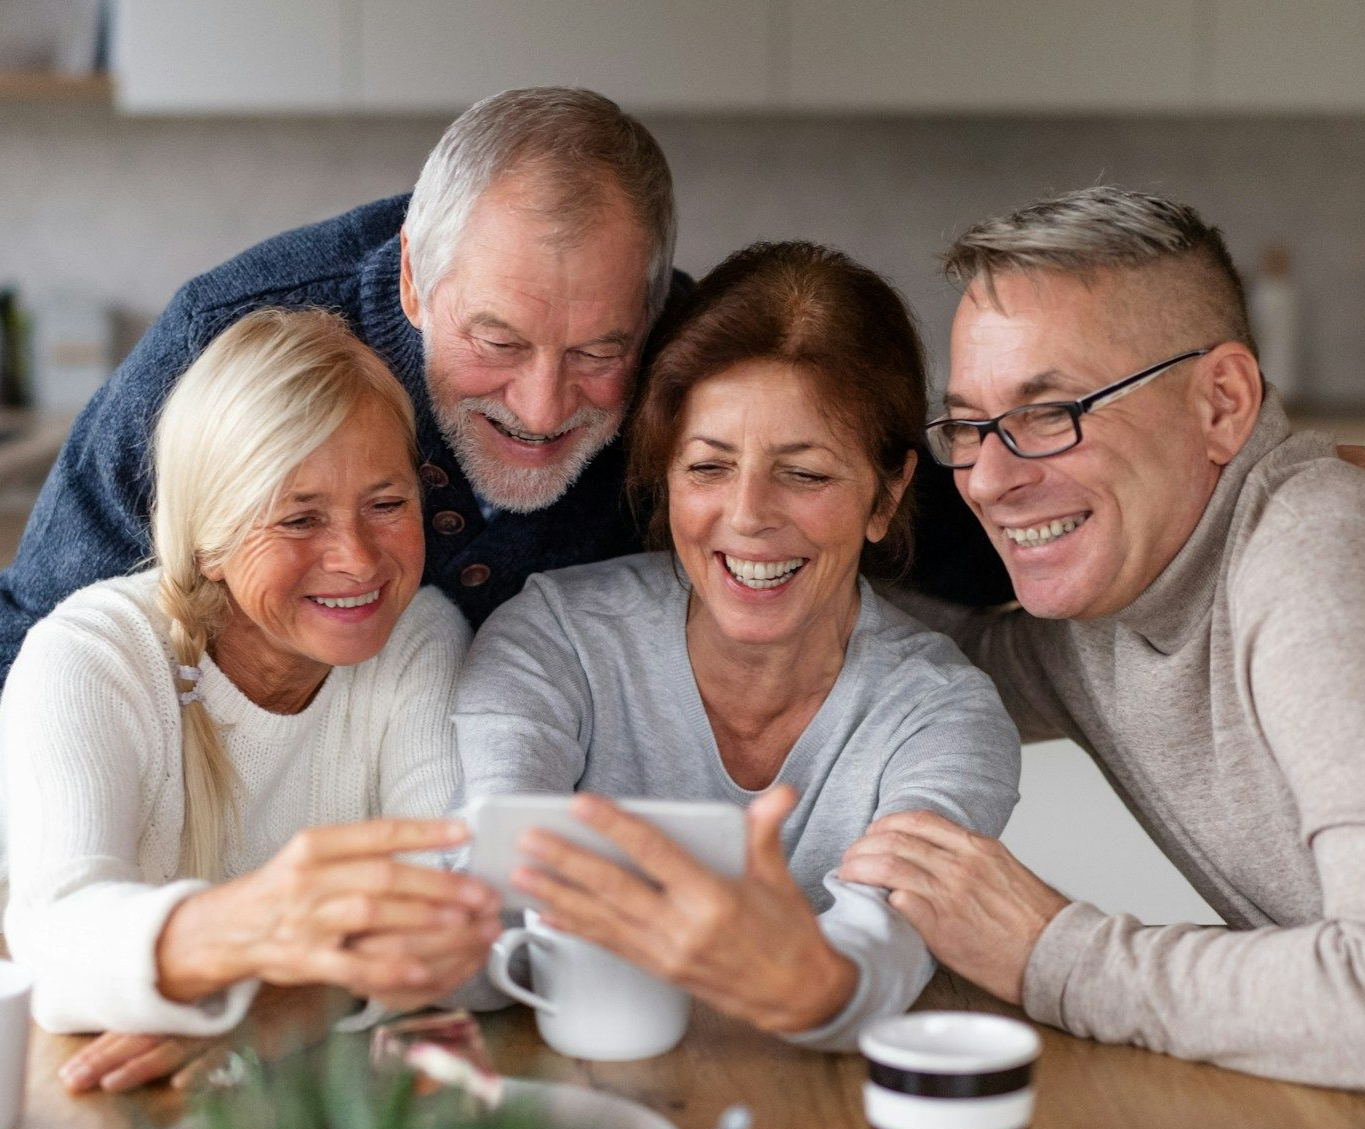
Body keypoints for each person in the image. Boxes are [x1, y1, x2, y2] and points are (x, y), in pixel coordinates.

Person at [0, 87, 1005, 693]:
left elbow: (936, 519)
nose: (539, 406)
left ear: (651, 316)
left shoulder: (703, 367)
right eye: (498, 341)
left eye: (597, 353)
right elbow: (34, 639)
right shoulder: (229, 347)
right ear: (412, 282)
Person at [843, 187, 1365, 1087]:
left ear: (1221, 403)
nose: (991, 479)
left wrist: (1051, 950)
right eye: (967, 425)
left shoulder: (1311, 554)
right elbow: (926, 665)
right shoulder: (1111, 616)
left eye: (1052, 411)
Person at [451, 242, 1020, 1050]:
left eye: (806, 474)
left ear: (886, 493)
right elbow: (486, 887)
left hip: (828, 1124)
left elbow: (886, 944)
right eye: (708, 466)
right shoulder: (554, 641)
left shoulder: (942, 715)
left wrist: (809, 980)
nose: (748, 515)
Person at [1, 308, 500, 1090]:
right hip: (103, 1100)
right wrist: (259, 928)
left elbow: (460, 927)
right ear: (208, 537)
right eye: (300, 517)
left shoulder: (418, 636)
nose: (358, 559)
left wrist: (284, 1000)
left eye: (386, 502)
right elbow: (52, 941)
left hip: (308, 1102)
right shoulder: (91, 656)